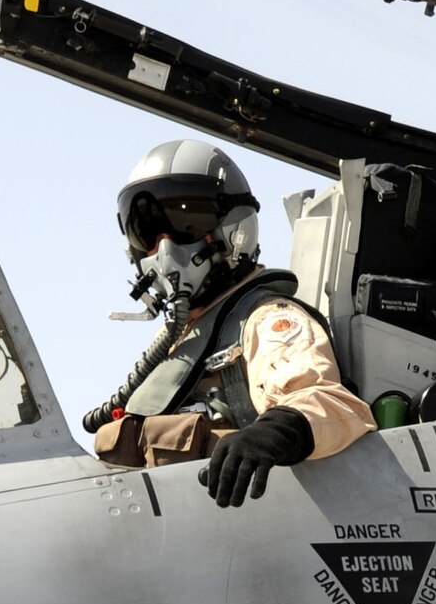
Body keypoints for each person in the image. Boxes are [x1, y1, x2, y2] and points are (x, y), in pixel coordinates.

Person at [84, 138, 374, 504]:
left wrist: (270, 434)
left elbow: (330, 402)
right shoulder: (180, 341)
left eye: (186, 221)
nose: (166, 247)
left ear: (235, 230)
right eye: (149, 231)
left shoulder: (266, 320)